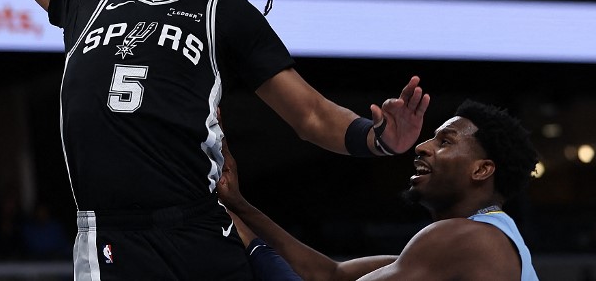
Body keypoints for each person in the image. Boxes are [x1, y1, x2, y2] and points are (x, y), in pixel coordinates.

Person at [15, 0, 427, 280]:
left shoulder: (222, 13)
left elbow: (308, 113)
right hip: (112, 236)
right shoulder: (91, 1)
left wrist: (379, 139)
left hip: (199, 228)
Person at [217, 99, 541, 281]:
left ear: (482, 169)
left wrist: (248, 241)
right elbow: (330, 275)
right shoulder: (475, 241)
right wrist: (238, 205)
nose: (423, 147)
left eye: (445, 142)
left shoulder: (467, 238)